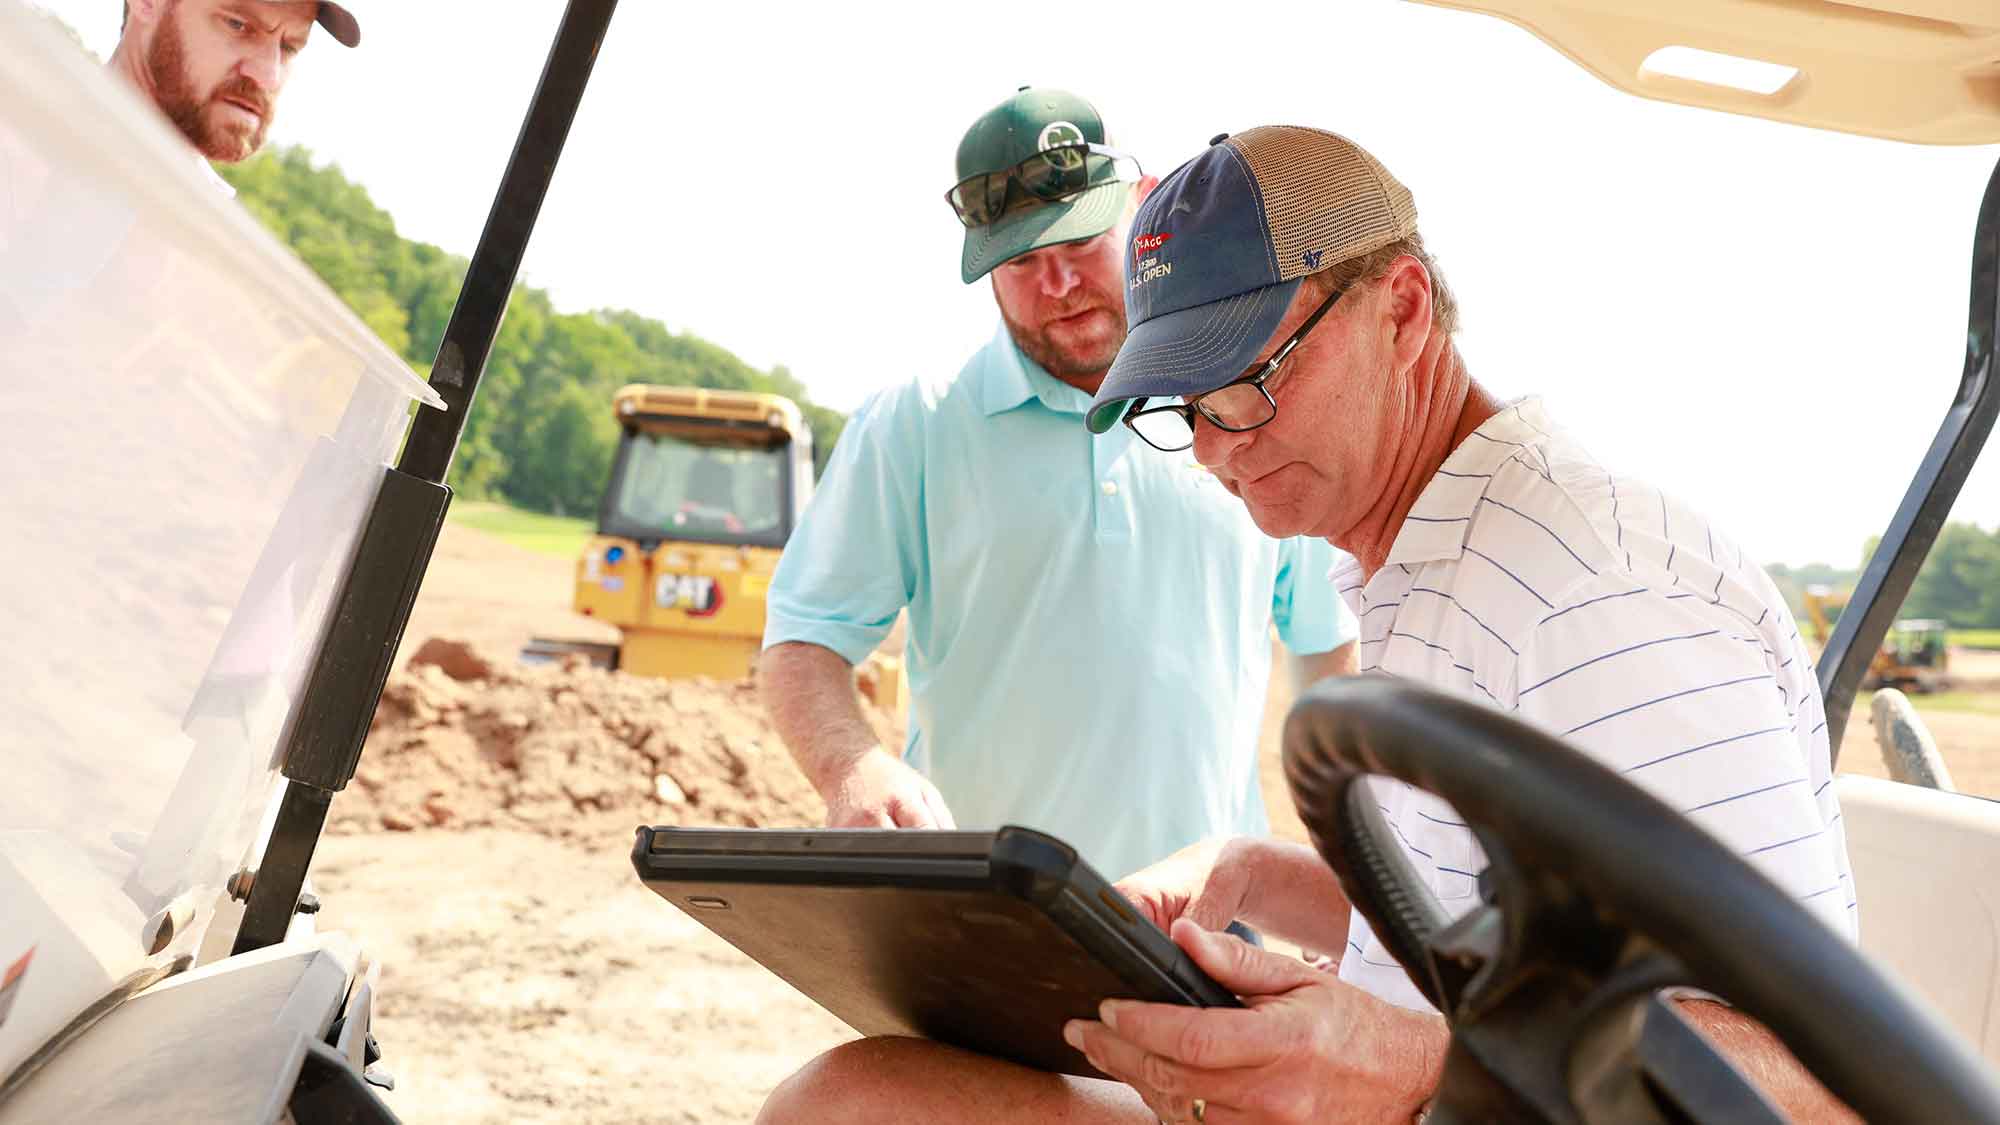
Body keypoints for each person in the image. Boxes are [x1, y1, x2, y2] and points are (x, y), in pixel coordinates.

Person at [757, 126, 1858, 1123]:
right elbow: (1521, 941)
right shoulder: (1421, 555)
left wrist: (1418, 1063)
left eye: (1250, 382)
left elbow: (1812, 1080)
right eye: (1183, 408)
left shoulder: (1593, 589)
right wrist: (1262, 874)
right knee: (857, 1095)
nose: (1217, 450)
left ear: (1403, 310)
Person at [759, 90, 1360, 890]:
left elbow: (1327, 647)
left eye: (1079, 243)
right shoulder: (917, 424)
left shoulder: (1249, 405)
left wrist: (1345, 857)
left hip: (1208, 925)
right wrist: (852, 767)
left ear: (1144, 215)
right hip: (981, 916)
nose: (1058, 284)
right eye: (1020, 263)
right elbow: (803, 639)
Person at [109, 0, 359, 164]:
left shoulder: (203, 226)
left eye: (288, 47)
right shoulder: (73, 155)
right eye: (237, 24)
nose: (268, 77)